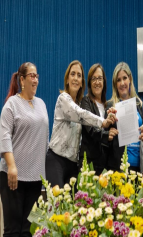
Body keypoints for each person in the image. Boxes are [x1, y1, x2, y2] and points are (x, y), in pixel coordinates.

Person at [46, 60, 116, 188]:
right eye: (73, 74)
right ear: (67, 79)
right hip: (56, 159)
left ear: (82, 82)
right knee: (56, 204)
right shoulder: (63, 99)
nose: (76, 78)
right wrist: (103, 122)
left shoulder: (79, 104)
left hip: (73, 164)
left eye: (79, 75)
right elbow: (81, 114)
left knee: (70, 206)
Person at [0, 62, 49, 236]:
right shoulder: (11, 104)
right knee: (13, 231)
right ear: (22, 80)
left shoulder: (42, 104)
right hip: (13, 177)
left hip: (35, 179)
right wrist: (11, 166)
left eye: (37, 76)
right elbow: (4, 136)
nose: (35, 80)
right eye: (31, 76)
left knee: (30, 231)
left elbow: (45, 140)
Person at [79, 64, 118, 175]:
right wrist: (107, 135)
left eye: (100, 78)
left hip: (104, 164)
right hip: (89, 163)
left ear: (104, 81)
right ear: (90, 83)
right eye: (94, 79)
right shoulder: (85, 102)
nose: (97, 82)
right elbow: (90, 128)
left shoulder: (108, 106)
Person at [106, 62, 143, 172]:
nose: (122, 83)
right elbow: (104, 136)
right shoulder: (110, 106)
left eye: (124, 78)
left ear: (130, 79)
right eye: (118, 80)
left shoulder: (139, 105)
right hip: (120, 167)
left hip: (139, 167)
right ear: (115, 84)